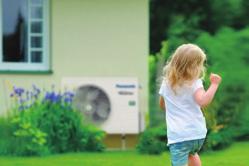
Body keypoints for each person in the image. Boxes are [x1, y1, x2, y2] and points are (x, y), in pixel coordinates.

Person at [158, 44, 222, 166]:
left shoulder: (166, 84)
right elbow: (203, 101)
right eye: (199, 65)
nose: (201, 68)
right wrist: (214, 85)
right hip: (197, 134)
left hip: (179, 136)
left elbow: (162, 104)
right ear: (192, 67)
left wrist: (174, 109)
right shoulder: (196, 84)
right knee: (192, 154)